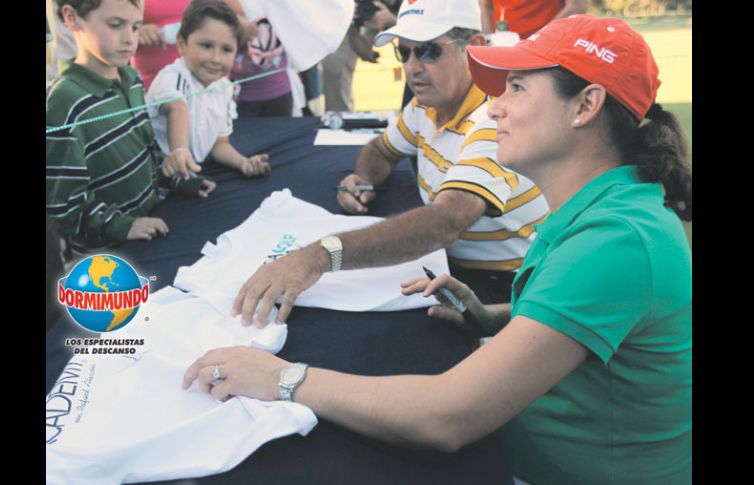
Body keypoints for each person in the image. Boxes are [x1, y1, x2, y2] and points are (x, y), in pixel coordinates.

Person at [182, 14, 692, 484]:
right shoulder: (609, 209)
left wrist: (281, 378)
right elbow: (604, 320)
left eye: (516, 88)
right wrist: (494, 318)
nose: (496, 106)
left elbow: (447, 417)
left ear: (585, 106)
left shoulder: (618, 240)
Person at [233, 0, 549, 327]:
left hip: (504, 288)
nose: (412, 67)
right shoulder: (427, 106)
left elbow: (445, 222)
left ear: (475, 48)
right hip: (451, 267)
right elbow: (381, 150)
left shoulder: (493, 119)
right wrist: (362, 177)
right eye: (404, 52)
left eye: (428, 51)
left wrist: (320, 256)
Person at [46, 0, 215, 255]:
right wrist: (123, 226)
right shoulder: (63, 101)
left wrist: (178, 180)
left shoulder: (132, 78)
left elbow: (147, 152)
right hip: (107, 255)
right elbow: (64, 208)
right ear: (71, 18)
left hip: (152, 226)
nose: (129, 39)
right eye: (116, 25)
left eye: (136, 27)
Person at [146, 0, 271, 180]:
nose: (216, 59)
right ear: (182, 44)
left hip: (191, 174)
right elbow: (177, 109)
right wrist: (180, 152)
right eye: (206, 46)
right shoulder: (173, 77)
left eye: (226, 49)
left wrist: (244, 163)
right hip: (161, 179)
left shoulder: (224, 88)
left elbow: (219, 144)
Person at [478, 0, 589, 40]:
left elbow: (577, 6)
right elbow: (485, 6)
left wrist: (538, 40)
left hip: (546, 48)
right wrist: (489, 40)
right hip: (501, 45)